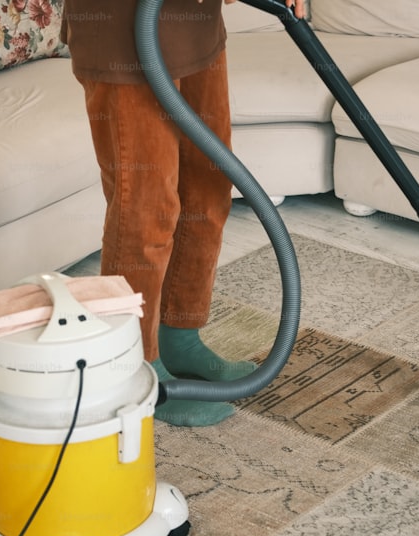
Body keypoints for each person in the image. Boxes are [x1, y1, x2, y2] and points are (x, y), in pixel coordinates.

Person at [61, 0, 307, 426]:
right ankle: (133, 370)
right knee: (146, 207)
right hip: (122, 29)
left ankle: (180, 336)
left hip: (195, 24)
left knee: (208, 186)